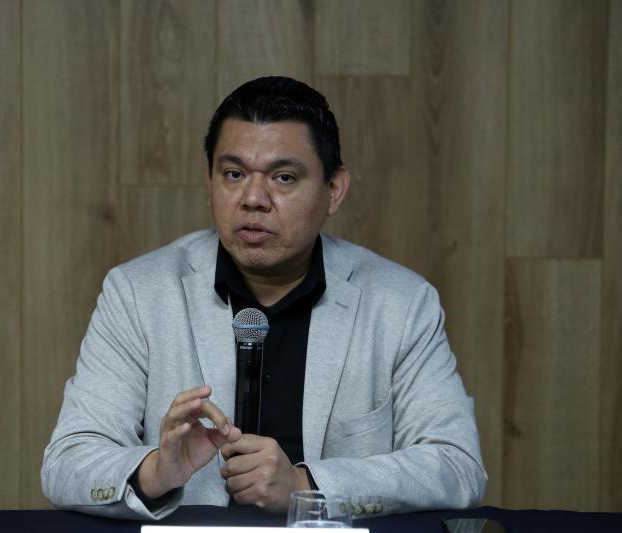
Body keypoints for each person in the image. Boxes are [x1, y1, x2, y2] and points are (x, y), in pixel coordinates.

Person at [41, 76, 487, 520]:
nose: (253, 199)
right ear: (210, 181)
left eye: (284, 177)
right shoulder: (138, 293)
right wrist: (156, 471)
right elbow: (67, 462)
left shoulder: (401, 303)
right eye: (233, 174)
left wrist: (307, 487)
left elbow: (457, 465)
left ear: (334, 190)